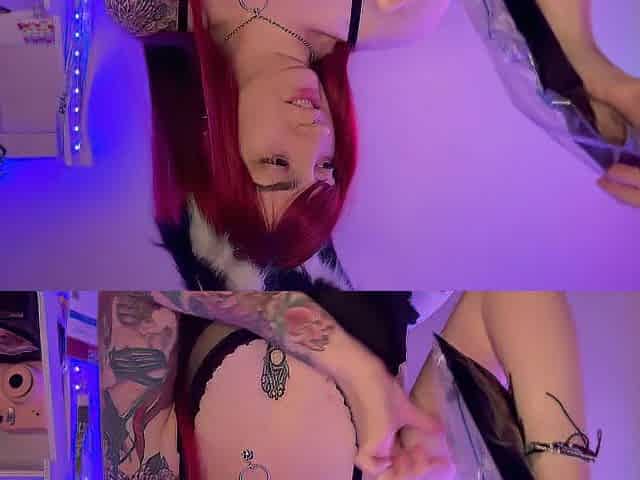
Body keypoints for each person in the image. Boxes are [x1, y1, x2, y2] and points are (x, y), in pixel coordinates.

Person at [102, 0, 640, 292]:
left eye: (276, 163)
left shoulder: (147, 7)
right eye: (325, 166)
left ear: (213, 148)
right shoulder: (396, 16)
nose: (314, 134)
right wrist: (591, 70)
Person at [99, 290, 598, 480]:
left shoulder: (143, 467)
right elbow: (509, 293)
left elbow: (133, 286)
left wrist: (348, 363)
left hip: (246, 217)